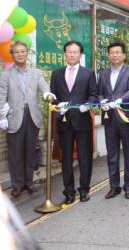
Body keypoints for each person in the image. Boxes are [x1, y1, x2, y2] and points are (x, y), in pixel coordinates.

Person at [0, 41, 55, 197]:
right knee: (15, 153)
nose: (20, 54)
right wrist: (1, 117)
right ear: (13, 54)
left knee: (30, 151)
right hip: (14, 117)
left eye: (23, 51)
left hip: (32, 116)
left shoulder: (35, 73)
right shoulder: (6, 75)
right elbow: (1, 97)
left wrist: (47, 94)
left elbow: (44, 86)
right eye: (17, 52)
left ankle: (29, 182)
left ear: (27, 53)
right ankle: (17, 185)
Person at [50, 41, 98, 204]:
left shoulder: (88, 73)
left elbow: (94, 94)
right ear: (65, 54)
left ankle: (84, 190)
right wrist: (58, 107)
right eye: (69, 52)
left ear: (80, 55)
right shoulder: (56, 74)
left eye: (75, 52)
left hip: (82, 121)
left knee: (85, 158)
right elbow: (53, 97)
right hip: (64, 122)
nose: (72, 55)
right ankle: (68, 192)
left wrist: (88, 105)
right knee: (67, 159)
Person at [98, 41, 129, 200]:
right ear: (109, 55)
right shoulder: (103, 73)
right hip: (109, 118)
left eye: (118, 52)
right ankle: (114, 186)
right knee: (112, 154)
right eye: (112, 52)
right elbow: (100, 92)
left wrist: (120, 100)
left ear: (124, 55)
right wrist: (102, 101)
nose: (115, 55)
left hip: (126, 117)